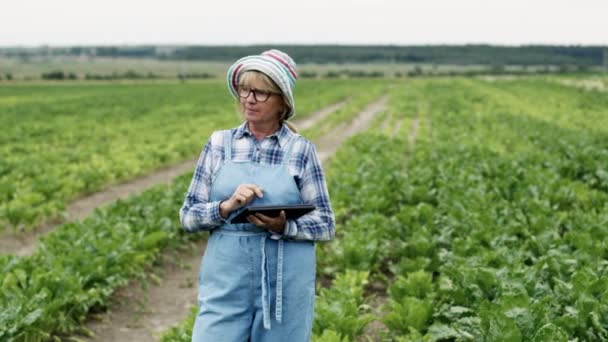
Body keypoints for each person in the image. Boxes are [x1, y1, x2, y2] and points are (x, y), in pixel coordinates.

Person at [179, 49, 336, 341]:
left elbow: (326, 223)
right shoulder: (219, 144)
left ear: (282, 102)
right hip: (227, 278)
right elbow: (188, 216)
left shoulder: (300, 150)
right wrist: (226, 206)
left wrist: (284, 225)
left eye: (261, 92)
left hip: (284, 280)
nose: (249, 99)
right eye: (245, 90)